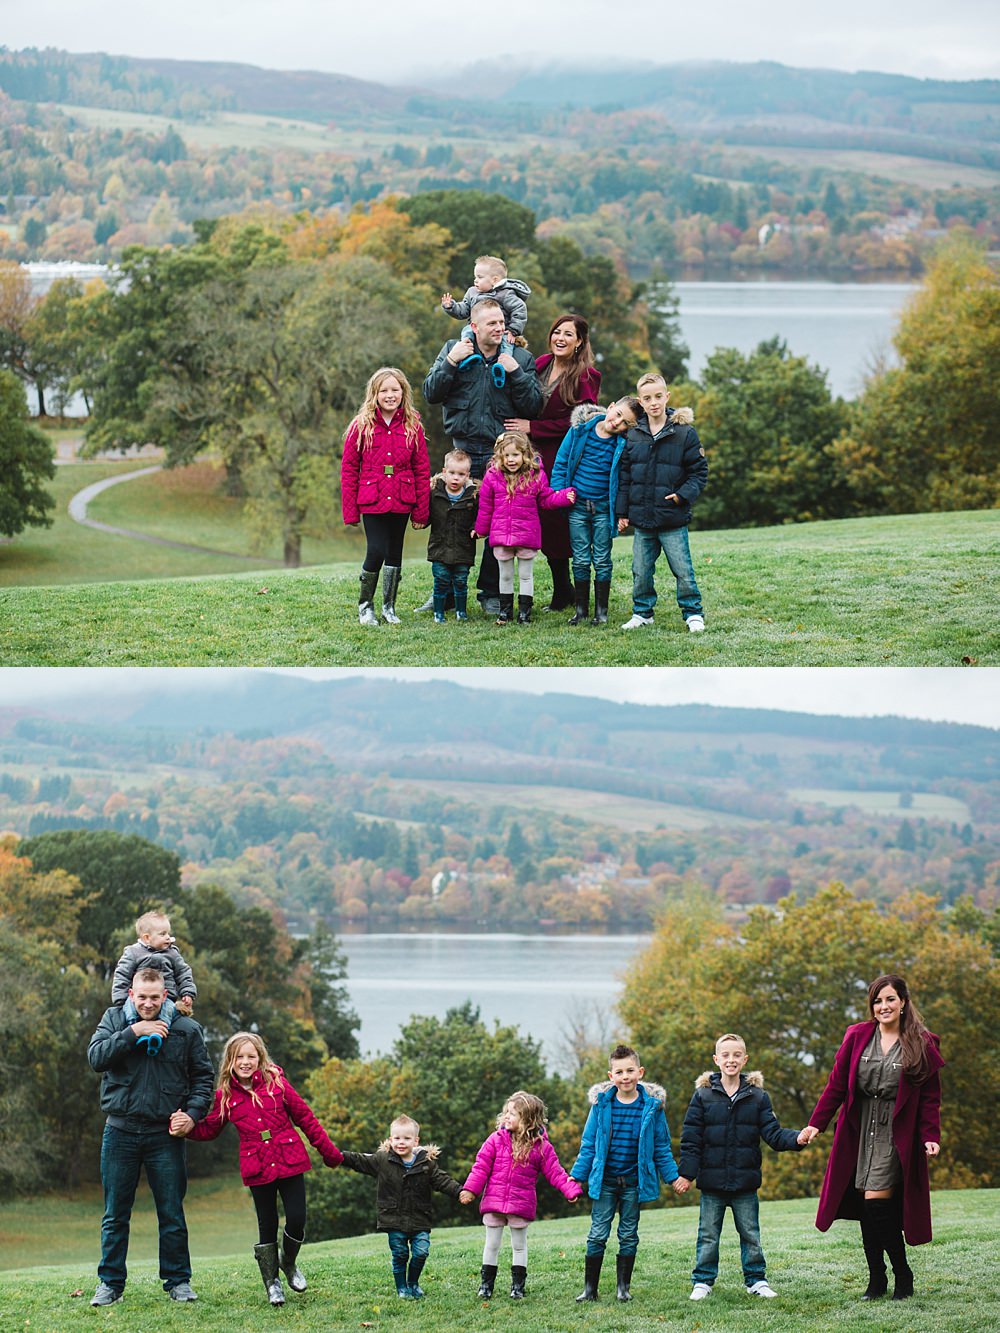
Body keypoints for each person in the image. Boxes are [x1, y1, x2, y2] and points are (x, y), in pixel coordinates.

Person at [799, 974, 943, 1302]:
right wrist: (815, 1125)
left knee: (877, 1203)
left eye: (890, 999)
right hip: (858, 1132)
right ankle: (877, 1278)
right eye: (877, 1001)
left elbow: (930, 1097)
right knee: (869, 1208)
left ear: (903, 1002)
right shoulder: (858, 1036)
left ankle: (900, 1274)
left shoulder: (922, 1043)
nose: (883, 1006)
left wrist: (930, 1135)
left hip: (896, 1135)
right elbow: (836, 1086)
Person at [172, 1031, 343, 1307]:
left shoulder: (279, 1084)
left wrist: (329, 1153)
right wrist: (187, 1127)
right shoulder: (225, 1096)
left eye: (251, 1056)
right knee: (267, 1224)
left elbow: (306, 1119)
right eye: (239, 1056)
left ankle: (289, 1263)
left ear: (260, 1058)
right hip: (257, 1167)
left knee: (297, 1218)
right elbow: (210, 1129)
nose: (245, 1061)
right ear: (230, 1061)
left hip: (289, 1160)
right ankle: (272, 1283)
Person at [87, 967, 214, 1308]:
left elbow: (204, 1079)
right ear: (131, 994)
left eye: (154, 998)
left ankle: (178, 1282)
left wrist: (192, 1115)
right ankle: (110, 1284)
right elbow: (96, 1058)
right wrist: (132, 1032)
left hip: (165, 1136)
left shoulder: (185, 1029)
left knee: (171, 1212)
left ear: (165, 996)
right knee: (115, 1214)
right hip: (120, 1131)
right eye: (141, 997)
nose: (147, 1003)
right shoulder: (114, 1020)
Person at [423, 299, 543, 614]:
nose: (500, 328)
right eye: (492, 323)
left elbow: (534, 406)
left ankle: (490, 593)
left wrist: (516, 373)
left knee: (499, 524)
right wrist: (450, 361)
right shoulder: (454, 348)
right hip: (461, 454)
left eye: (502, 322)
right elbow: (430, 393)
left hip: (500, 456)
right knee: (452, 523)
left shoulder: (520, 357)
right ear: (474, 326)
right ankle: (445, 593)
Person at [675, 1032, 805, 1302]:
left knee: (750, 1235)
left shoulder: (758, 1097)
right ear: (716, 1059)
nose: (731, 1060)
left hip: (745, 1183)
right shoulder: (702, 1096)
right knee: (708, 1235)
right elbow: (691, 1139)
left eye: (736, 1055)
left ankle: (756, 1280)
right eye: (725, 1055)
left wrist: (797, 1138)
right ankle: (703, 1281)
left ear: (744, 1060)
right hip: (712, 1183)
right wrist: (686, 1174)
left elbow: (774, 1134)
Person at [569, 1043, 680, 1304]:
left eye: (630, 1070)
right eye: (619, 1072)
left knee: (628, 1234)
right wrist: (575, 1178)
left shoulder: (652, 1108)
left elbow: (662, 1147)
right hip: (605, 1182)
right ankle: (590, 1289)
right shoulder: (601, 1106)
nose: (625, 1076)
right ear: (611, 1077)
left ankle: (623, 1288)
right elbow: (588, 1145)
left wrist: (673, 1177)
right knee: (597, 1233)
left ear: (640, 1072)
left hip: (633, 1183)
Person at [505, 314, 601, 611]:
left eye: (568, 334)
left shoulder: (586, 376)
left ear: (580, 341)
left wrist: (534, 427)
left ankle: (566, 590)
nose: (560, 338)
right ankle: (563, 589)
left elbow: (581, 421)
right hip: (530, 454)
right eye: (556, 332)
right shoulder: (542, 363)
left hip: (561, 456)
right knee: (537, 520)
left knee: (556, 519)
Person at [459, 1090, 582, 1301]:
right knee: (492, 1244)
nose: (506, 1116)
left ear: (528, 1120)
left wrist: (569, 1190)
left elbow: (556, 1172)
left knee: (519, 1245)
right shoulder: (495, 1140)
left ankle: (517, 1287)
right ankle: (486, 1286)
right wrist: (470, 1190)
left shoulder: (541, 1147)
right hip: (494, 1201)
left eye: (513, 1113)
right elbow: (481, 1167)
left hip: (520, 1204)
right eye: (506, 1112)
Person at [615, 372, 708, 633]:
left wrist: (682, 495)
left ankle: (693, 613)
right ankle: (643, 612)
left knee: (682, 569)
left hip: (672, 518)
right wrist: (622, 511)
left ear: (667, 397)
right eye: (647, 398)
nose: (653, 402)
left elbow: (699, 473)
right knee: (641, 570)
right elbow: (625, 476)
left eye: (658, 396)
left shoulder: (684, 433)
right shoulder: (633, 436)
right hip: (643, 519)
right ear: (640, 402)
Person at [340, 1113, 466, 1299]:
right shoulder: (382, 1160)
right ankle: (402, 1288)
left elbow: (442, 1181)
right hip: (393, 1218)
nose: (401, 1142)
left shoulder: (426, 1164)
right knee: (399, 1254)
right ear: (390, 1140)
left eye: (406, 1138)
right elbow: (360, 1160)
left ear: (416, 1141)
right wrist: (338, 1156)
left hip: (419, 1218)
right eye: (397, 1138)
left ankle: (413, 1283)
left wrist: (460, 1191)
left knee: (421, 1253)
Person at [341, 366, 430, 626]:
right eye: (384, 390)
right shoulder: (361, 426)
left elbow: (422, 469)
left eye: (395, 389)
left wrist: (421, 512)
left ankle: (389, 607)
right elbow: (348, 470)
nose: (390, 395)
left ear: (403, 392)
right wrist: (350, 511)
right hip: (372, 498)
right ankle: (365, 606)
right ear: (374, 394)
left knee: (394, 552)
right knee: (376, 550)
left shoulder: (413, 424)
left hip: (402, 497)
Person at [550, 397, 639, 625]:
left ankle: (601, 611)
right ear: (610, 407)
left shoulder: (623, 444)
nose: (617, 422)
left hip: (603, 509)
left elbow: (625, 481)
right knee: (580, 558)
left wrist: (621, 512)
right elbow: (561, 462)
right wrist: (560, 493)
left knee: (601, 558)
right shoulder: (581, 430)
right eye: (617, 414)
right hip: (577, 506)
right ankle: (581, 610)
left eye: (625, 423)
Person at [472, 430, 575, 625]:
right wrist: (481, 530)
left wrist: (563, 497)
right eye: (507, 455)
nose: (511, 460)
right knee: (506, 575)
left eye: (515, 455)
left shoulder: (536, 476)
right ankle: (505, 612)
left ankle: (525, 613)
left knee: (526, 576)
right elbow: (486, 507)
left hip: (527, 534)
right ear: (499, 456)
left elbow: (546, 499)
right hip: (501, 535)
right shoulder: (492, 477)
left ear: (525, 455)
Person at [426, 449, 479, 623]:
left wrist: (476, 529)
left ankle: (461, 611)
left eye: (461, 474)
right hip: (439, 548)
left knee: (461, 580)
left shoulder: (472, 496)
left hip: (463, 548)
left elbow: (479, 516)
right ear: (444, 472)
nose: (456, 478)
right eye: (452, 473)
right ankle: (438, 612)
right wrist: (420, 520)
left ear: (467, 476)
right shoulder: (434, 493)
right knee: (440, 580)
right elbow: (425, 514)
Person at [441, 254, 531, 356]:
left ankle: (503, 363)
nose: (475, 280)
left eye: (480, 277)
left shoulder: (505, 294)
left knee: (507, 344)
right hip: (476, 329)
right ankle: (468, 358)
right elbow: (464, 310)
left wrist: (513, 330)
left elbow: (520, 309)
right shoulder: (472, 292)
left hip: (500, 331)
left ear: (495, 280)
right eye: (475, 277)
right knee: (466, 333)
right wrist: (451, 307)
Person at [111, 910, 196, 1015]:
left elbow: (183, 973)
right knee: (128, 1015)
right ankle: (135, 1029)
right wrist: (120, 999)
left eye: (168, 933)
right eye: (162, 934)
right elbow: (122, 975)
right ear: (147, 938)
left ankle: (160, 1029)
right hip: (138, 1001)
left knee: (166, 1015)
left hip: (165, 999)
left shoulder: (172, 953)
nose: (168, 937)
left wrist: (187, 992)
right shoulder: (133, 953)